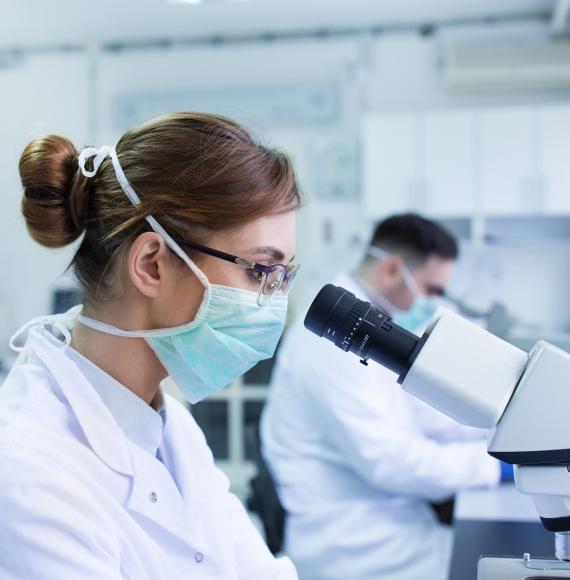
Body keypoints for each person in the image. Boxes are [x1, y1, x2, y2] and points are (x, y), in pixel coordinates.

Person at [0, 113, 302, 579]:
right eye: (261, 271)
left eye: (284, 275)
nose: (275, 300)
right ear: (152, 265)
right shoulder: (29, 469)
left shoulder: (172, 427)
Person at [261, 213, 502, 580]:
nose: (436, 302)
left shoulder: (373, 327)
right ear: (393, 270)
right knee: (495, 563)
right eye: (433, 289)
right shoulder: (332, 340)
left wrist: (501, 434)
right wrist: (494, 467)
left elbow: (420, 417)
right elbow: (388, 460)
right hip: (357, 547)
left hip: (392, 524)